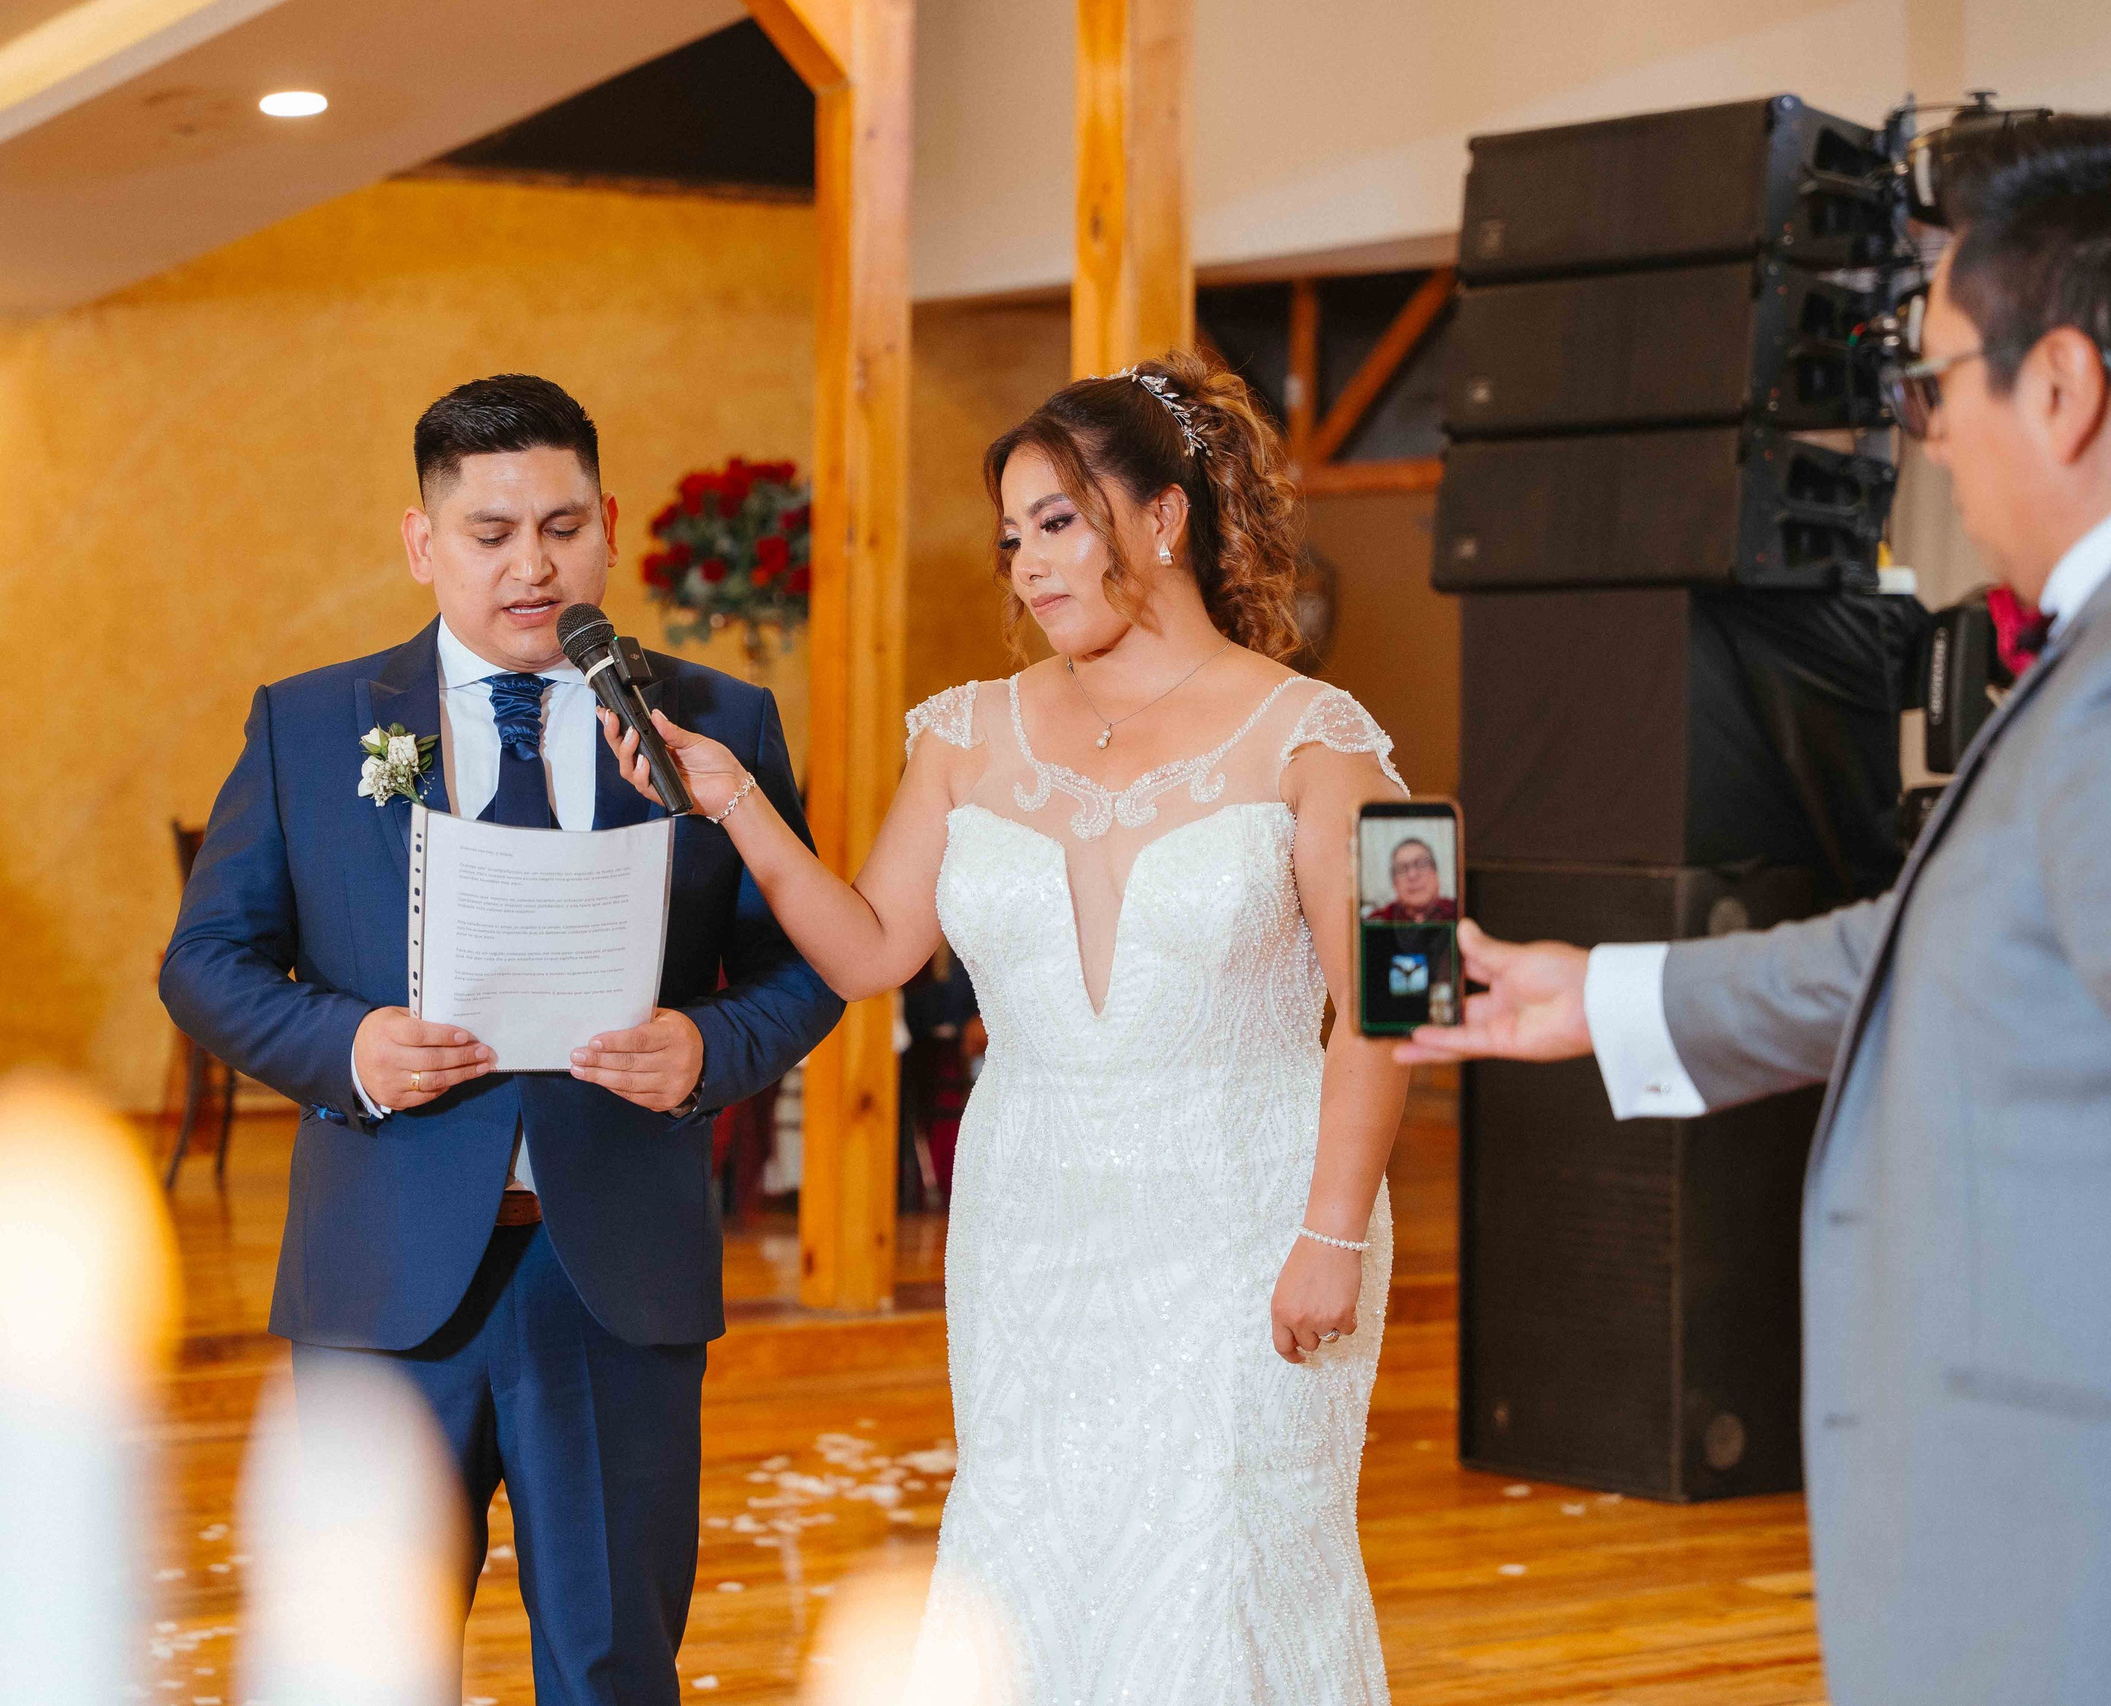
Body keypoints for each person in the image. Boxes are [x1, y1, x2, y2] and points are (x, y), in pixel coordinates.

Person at [1398, 117, 2111, 1704]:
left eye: (1931, 386)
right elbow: (1917, 952)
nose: (1919, 438)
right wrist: (1599, 999)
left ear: (2058, 388)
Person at [606, 351, 1413, 1702]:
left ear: (1161, 519)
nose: (1029, 565)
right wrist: (736, 798)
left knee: (1228, 1559)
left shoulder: (1335, 741)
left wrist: (1332, 1230)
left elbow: (1406, 1001)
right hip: (1030, 1229)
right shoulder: (964, 732)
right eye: (1012, 537)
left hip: (1251, 1225)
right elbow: (870, 948)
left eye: (1059, 522)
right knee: (1031, 1548)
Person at [160, 374, 841, 1706]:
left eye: (564, 524)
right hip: (382, 1274)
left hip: (613, 1273)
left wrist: (707, 1050)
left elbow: (801, 968)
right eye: (490, 533)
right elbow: (206, 962)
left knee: (609, 1662)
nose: (534, 563)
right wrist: (351, 1045)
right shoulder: (313, 722)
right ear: (423, 543)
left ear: (611, 526)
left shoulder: (718, 722)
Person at [1366, 836, 1456, 921]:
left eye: (1421, 864)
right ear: (1394, 883)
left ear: (1435, 874)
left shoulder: (1456, 912)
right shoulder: (1379, 920)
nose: (1412, 875)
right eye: (1401, 868)